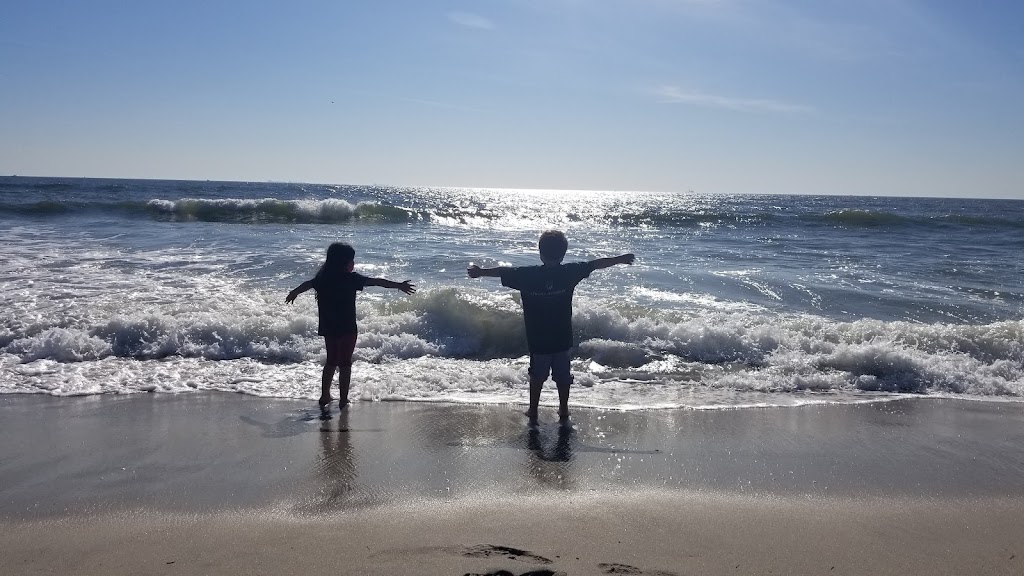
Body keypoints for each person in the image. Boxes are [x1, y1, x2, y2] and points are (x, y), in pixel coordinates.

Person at [467, 230, 634, 423]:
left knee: (537, 375)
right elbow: (596, 264)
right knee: (563, 377)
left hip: (538, 339)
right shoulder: (570, 272)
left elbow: (500, 272)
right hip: (562, 338)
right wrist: (620, 259)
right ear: (563, 254)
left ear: (540, 252)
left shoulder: (526, 275)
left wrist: (480, 273)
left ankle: (533, 410)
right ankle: (563, 410)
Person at [286, 242, 415, 409]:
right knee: (345, 363)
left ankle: (325, 396)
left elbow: (306, 284)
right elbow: (377, 282)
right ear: (345, 262)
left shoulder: (322, 279)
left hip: (329, 327)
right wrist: (399, 285)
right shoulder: (351, 279)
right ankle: (343, 399)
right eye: (352, 260)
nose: (353, 264)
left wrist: (294, 292)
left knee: (331, 361)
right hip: (347, 327)